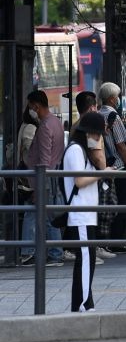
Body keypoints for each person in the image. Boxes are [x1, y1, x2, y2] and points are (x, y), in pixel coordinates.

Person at [64, 112, 113, 311]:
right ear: (89, 133)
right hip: (80, 213)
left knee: (88, 260)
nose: (98, 139)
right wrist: (101, 174)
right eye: (97, 135)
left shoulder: (82, 150)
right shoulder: (75, 150)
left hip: (86, 213)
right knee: (85, 260)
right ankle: (83, 304)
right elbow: (79, 180)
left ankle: (85, 302)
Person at [21, 90, 65, 267]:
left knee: (44, 216)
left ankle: (51, 253)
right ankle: (47, 252)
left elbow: (45, 159)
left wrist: (38, 186)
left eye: (30, 106)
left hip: (45, 178)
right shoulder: (56, 122)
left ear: (36, 105)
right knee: (44, 214)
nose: (30, 109)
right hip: (52, 175)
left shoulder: (45, 126)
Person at [98, 82, 126, 254]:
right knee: (122, 203)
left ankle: (106, 240)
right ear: (113, 99)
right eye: (118, 96)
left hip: (104, 165)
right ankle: (117, 241)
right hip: (119, 166)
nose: (119, 99)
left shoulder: (98, 114)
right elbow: (121, 145)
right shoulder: (114, 116)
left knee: (107, 204)